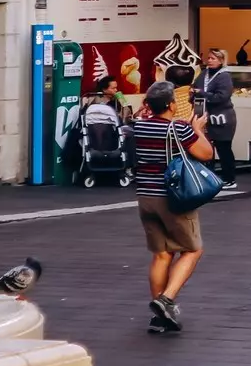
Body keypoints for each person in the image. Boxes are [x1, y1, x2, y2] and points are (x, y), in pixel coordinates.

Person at [129, 81, 216, 335]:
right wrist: (197, 129)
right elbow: (206, 153)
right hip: (172, 197)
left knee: (161, 254)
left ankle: (160, 317)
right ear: (171, 105)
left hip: (145, 196)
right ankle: (166, 299)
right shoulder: (179, 129)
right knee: (192, 250)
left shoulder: (140, 126)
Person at [190, 48, 238, 185]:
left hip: (222, 118)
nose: (209, 61)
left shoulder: (224, 76)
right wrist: (193, 92)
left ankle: (230, 179)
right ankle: (209, 178)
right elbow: (195, 87)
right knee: (207, 148)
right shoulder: (204, 73)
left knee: (223, 148)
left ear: (221, 60)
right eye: (209, 58)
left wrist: (203, 94)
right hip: (205, 116)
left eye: (213, 58)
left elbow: (222, 97)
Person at [70, 74, 126, 181]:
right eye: (113, 88)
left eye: (116, 88)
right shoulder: (94, 100)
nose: (116, 90)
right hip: (95, 131)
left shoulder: (118, 100)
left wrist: (123, 103)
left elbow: (126, 116)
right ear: (104, 89)